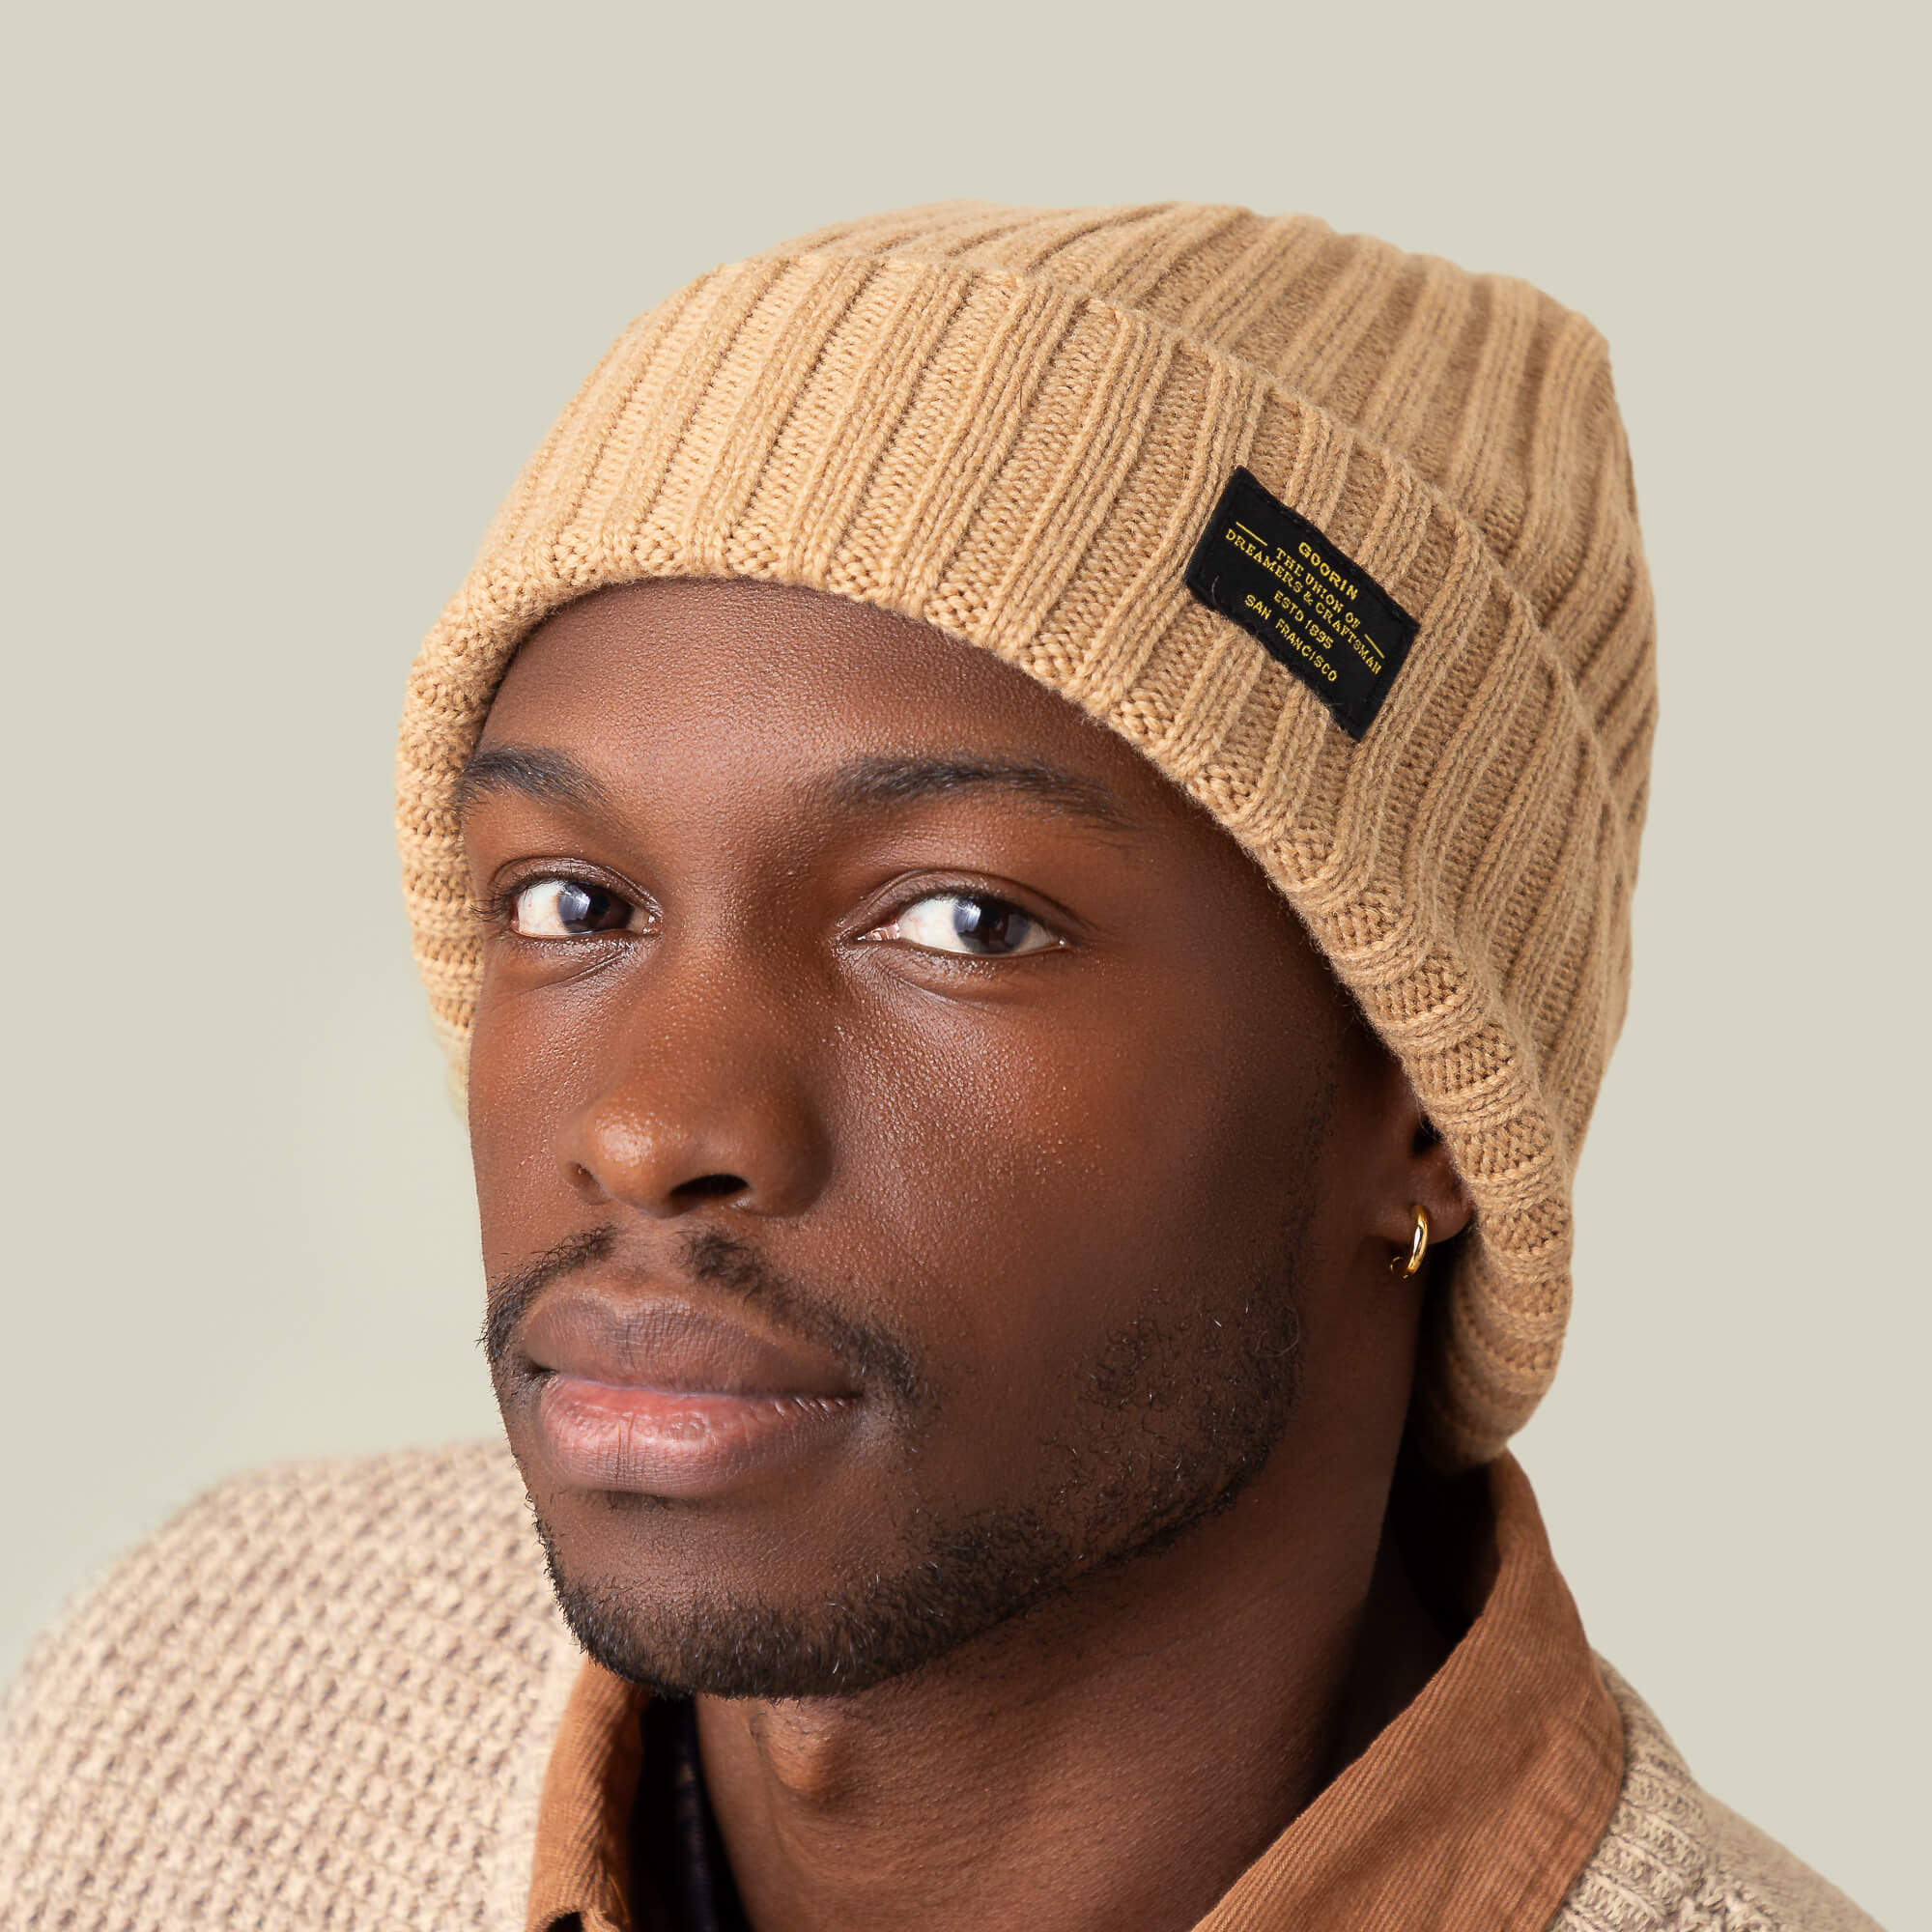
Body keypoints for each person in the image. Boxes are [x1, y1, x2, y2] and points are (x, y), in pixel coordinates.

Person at [0, 202, 1881, 1931]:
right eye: (573, 901)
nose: (655, 1128)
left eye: (964, 923)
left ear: (1419, 1103)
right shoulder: (184, 1695)